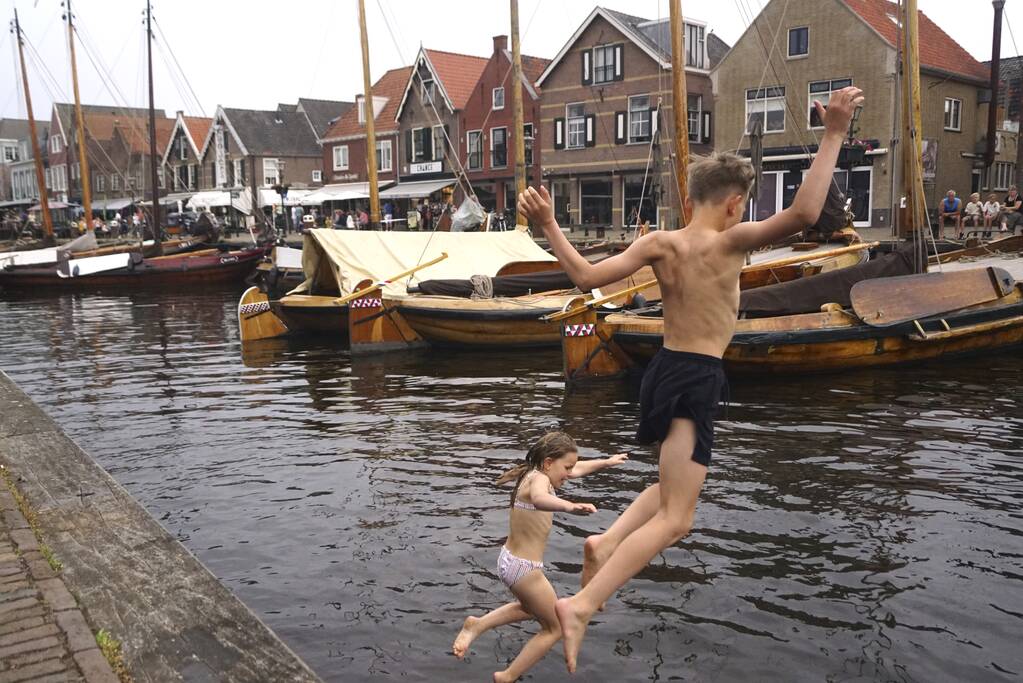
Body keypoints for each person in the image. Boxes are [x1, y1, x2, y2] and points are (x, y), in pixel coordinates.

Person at [517, 85, 864, 674]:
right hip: (699, 374)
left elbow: (582, 276)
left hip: (661, 369)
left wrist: (550, 223)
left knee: (669, 486)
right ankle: (582, 606)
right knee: (679, 518)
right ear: (734, 203)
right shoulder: (731, 242)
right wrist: (832, 133)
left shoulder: (661, 242)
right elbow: (806, 213)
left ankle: (604, 543)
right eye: (745, 204)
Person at [451, 432, 628, 682]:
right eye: (565, 467)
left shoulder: (535, 473)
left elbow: (578, 469)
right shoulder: (538, 480)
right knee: (555, 627)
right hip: (524, 569)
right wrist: (570, 506)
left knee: (531, 608)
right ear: (548, 463)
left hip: (510, 561)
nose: (569, 473)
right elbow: (540, 499)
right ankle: (507, 676)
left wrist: (607, 462)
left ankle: (477, 624)